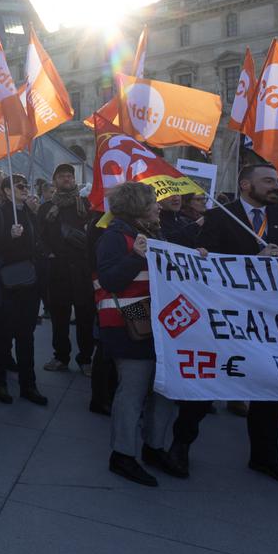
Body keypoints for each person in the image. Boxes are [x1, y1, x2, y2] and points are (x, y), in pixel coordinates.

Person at [193, 163, 278, 487]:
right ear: (246, 185)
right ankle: (180, 445)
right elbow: (203, 262)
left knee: (268, 390)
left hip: (271, 319)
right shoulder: (219, 216)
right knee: (205, 387)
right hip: (228, 315)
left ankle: (265, 456)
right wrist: (251, 264)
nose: (276, 186)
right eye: (268, 181)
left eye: (277, 181)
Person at [95, 182, 182, 486]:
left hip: (159, 326)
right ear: (137, 207)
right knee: (132, 392)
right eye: (152, 202)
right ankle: (122, 454)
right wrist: (134, 257)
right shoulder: (114, 237)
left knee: (164, 389)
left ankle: (154, 446)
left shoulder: (155, 234)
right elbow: (109, 280)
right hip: (128, 327)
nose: (159, 206)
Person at [0, 174, 47, 406]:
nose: (25, 189)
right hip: (5, 285)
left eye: (27, 185)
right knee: (2, 336)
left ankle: (29, 385)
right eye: (20, 186)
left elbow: (37, 244)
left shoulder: (28, 213)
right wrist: (8, 236)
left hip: (28, 283)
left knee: (26, 336)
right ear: (7, 191)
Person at [39, 164, 95, 375]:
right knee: (59, 317)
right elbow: (40, 236)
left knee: (85, 316)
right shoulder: (46, 208)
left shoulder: (87, 205)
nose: (67, 179)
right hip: (58, 269)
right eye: (62, 176)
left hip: (82, 269)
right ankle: (61, 356)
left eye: (69, 176)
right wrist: (49, 253)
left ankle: (86, 358)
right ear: (55, 181)